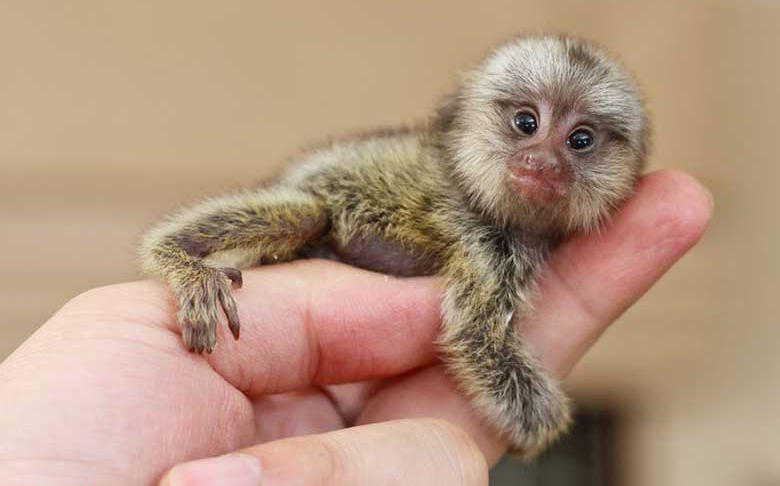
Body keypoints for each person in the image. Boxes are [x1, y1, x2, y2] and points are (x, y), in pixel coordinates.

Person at [0, 171, 711, 486]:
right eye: (525, 125)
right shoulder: (480, 222)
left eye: (582, 141)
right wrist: (540, 415)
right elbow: (479, 338)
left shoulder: (523, 236)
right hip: (323, 218)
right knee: (297, 215)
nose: (546, 159)